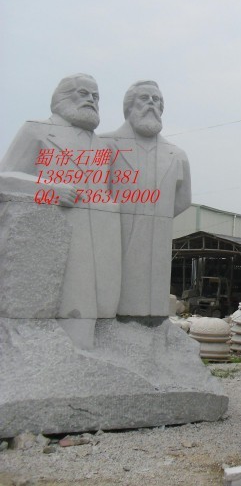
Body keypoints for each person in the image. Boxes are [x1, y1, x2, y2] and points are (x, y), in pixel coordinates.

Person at [0, 74, 121, 348]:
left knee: (90, 315)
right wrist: (49, 189)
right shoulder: (37, 130)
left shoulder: (100, 146)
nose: (91, 100)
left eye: (96, 96)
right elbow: (4, 178)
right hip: (51, 241)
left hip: (96, 246)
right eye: (83, 93)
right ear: (63, 97)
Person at [101, 80, 191, 317]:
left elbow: (183, 200)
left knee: (153, 301)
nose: (152, 103)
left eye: (156, 99)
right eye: (144, 98)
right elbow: (94, 191)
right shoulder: (104, 144)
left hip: (158, 239)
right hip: (114, 236)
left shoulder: (177, 155)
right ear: (129, 106)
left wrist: (155, 215)